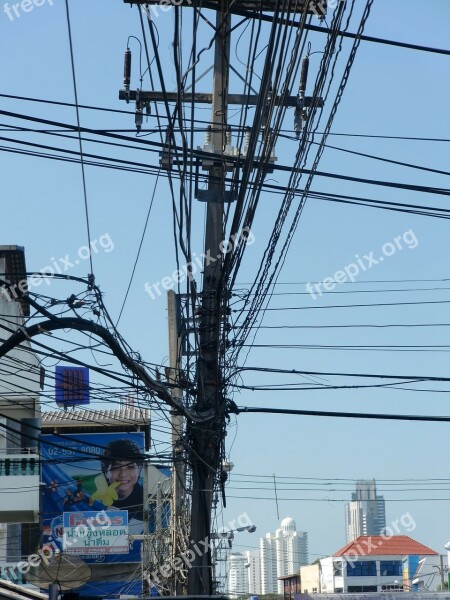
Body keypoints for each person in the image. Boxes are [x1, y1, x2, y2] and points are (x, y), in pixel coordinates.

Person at [100, 439, 144, 521]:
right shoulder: (98, 502)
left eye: (130, 467)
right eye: (117, 467)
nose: (123, 474)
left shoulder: (145, 502)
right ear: (105, 471)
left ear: (139, 469)